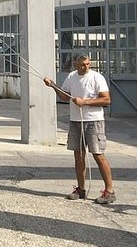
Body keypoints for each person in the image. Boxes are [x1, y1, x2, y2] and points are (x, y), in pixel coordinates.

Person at [44, 54, 115, 204]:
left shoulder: (96, 77)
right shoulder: (72, 77)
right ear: (75, 64)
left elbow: (106, 99)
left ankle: (109, 191)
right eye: (82, 64)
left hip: (93, 121)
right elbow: (65, 96)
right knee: (78, 155)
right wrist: (53, 85)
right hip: (76, 121)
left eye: (88, 64)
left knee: (98, 154)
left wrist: (85, 102)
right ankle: (81, 189)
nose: (86, 67)